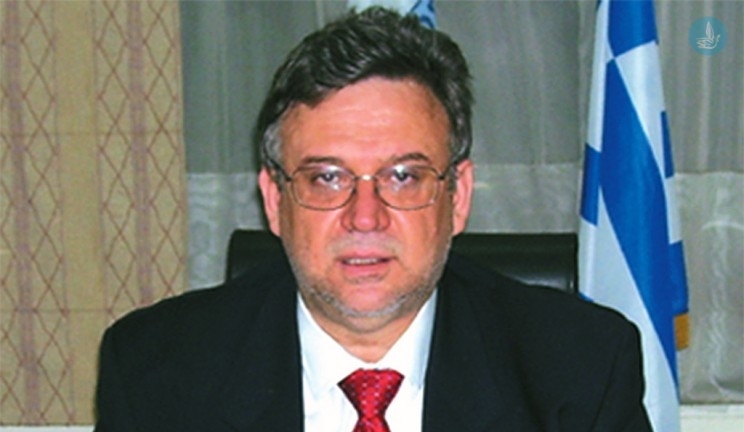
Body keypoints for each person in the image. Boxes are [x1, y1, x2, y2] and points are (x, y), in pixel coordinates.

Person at [94, 7, 652, 432]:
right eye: (327, 178)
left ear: (457, 196)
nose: (365, 217)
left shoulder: (580, 371)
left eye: (403, 176)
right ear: (274, 201)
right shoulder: (157, 373)